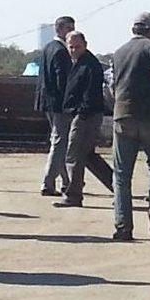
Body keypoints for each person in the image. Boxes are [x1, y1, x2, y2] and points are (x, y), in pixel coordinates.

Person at [111, 12, 150, 241]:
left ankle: (123, 227)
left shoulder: (118, 52)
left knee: (121, 176)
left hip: (122, 116)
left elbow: (111, 84)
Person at [53, 31, 105, 208]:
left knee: (73, 154)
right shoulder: (77, 63)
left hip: (86, 116)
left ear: (85, 45)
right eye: (71, 47)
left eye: (77, 47)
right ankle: (119, 188)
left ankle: (73, 196)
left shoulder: (90, 65)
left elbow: (90, 94)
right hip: (79, 113)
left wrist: (80, 113)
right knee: (88, 156)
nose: (74, 50)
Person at [34, 16, 76, 196]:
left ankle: (66, 182)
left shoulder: (48, 48)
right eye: (69, 28)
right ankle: (48, 182)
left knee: (59, 141)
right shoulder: (61, 51)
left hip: (47, 102)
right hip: (59, 104)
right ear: (59, 30)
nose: (72, 32)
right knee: (59, 143)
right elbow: (62, 80)